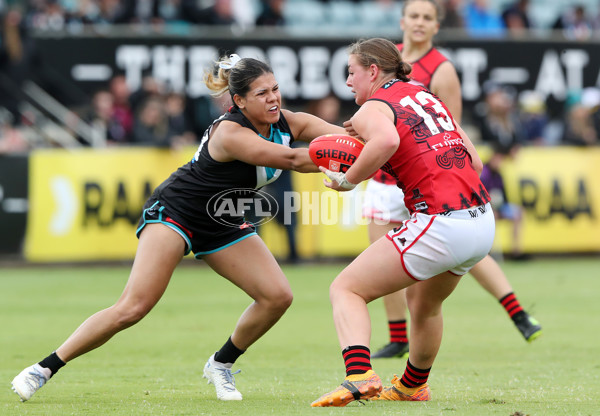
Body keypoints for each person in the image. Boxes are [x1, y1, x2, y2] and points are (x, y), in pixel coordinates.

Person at [11, 53, 346, 403]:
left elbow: (348, 139)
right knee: (133, 307)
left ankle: (221, 364)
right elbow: (293, 159)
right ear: (239, 101)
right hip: (177, 212)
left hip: (222, 219)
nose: (274, 98)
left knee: (277, 297)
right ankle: (43, 368)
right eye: (262, 93)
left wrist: (379, 141)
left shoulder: (290, 122)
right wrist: (348, 162)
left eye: (275, 89)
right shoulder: (230, 131)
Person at [311, 37, 495, 407]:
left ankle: (359, 375)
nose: (348, 82)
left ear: (373, 71)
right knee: (426, 306)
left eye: (351, 72)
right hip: (481, 220)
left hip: (442, 222)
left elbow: (387, 141)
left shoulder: (371, 109)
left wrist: (349, 180)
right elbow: (474, 162)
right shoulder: (425, 94)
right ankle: (412, 386)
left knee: (346, 289)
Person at [364, 0, 541, 363]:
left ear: (436, 27)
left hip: (424, 177)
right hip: (386, 177)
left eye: (427, 17)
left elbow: (451, 129)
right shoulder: (387, 59)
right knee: (378, 256)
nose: (419, 22)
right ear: (402, 21)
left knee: (462, 249)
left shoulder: (441, 69)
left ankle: (516, 311)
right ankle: (397, 337)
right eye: (414, 15)